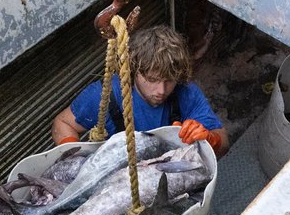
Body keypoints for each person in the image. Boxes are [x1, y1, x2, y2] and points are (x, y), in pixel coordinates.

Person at [51, 25, 230, 157]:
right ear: (134, 71)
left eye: (169, 80)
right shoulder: (104, 96)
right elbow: (62, 123)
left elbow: (224, 144)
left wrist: (210, 139)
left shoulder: (187, 93)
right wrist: (74, 158)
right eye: (152, 80)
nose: (161, 90)